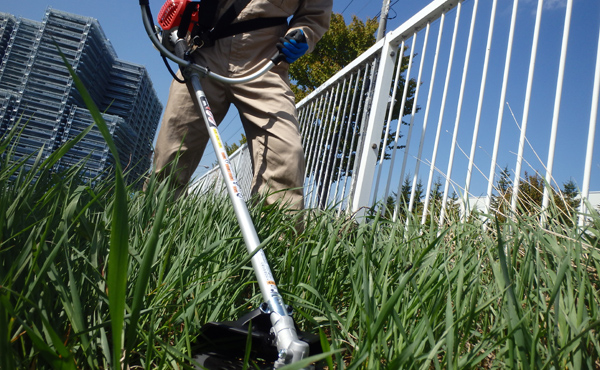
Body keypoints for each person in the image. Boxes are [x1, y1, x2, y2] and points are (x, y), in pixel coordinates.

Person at [151, 0, 333, 212]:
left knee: (285, 155)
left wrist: (304, 35)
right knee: (170, 153)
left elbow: (314, 17)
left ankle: (278, 241)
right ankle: (153, 227)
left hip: (265, 61)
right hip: (205, 49)